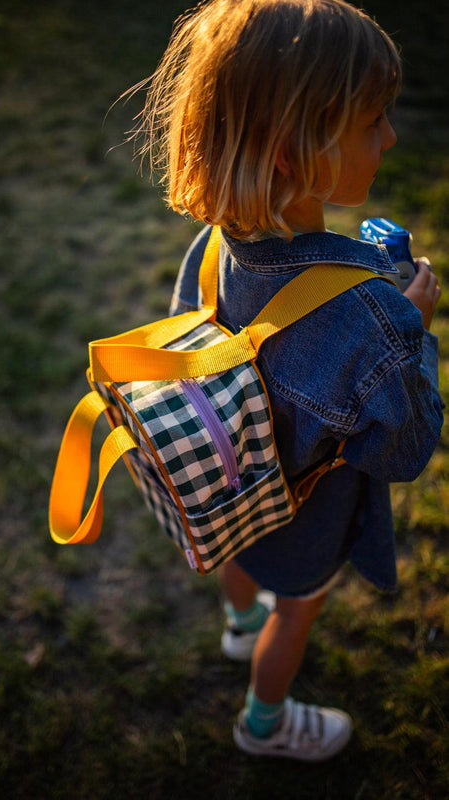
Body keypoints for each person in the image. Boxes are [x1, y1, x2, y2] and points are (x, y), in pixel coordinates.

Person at [129, 0, 444, 761]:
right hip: (304, 518)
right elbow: (402, 452)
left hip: (228, 494)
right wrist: (414, 335)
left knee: (235, 557)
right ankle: (263, 723)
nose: (391, 136)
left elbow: (191, 332)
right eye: (372, 121)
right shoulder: (370, 318)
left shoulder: (215, 245)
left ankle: (238, 627)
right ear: (288, 150)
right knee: (295, 611)